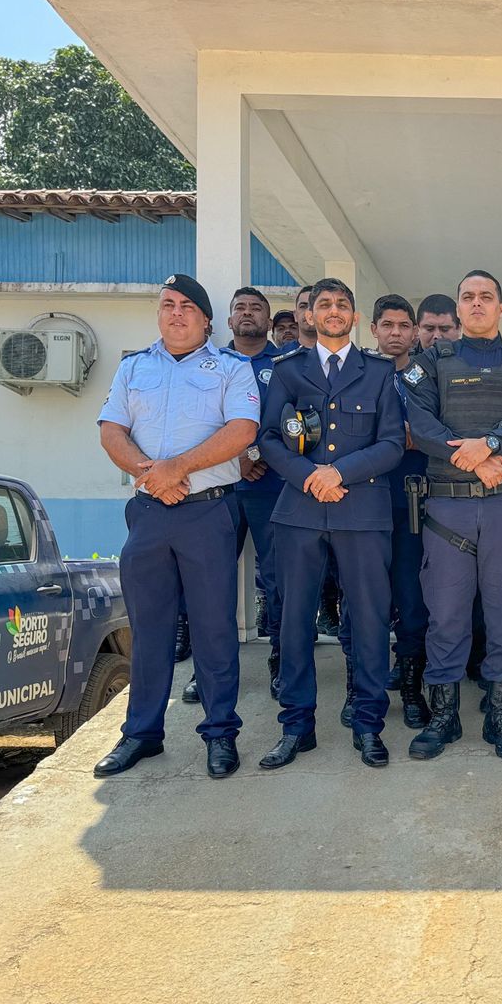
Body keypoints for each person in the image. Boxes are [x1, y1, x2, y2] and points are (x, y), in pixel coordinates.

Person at [95, 274, 258, 780]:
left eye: (188, 306)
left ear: (207, 318)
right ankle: (141, 734)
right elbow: (111, 430)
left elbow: (242, 431)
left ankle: (220, 733)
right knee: (148, 630)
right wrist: (153, 475)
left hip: (207, 512)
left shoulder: (232, 368)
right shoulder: (132, 368)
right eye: (168, 305)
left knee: (213, 628)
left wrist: (178, 468)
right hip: (148, 512)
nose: (176, 313)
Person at [404, 273, 502, 763]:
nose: (476, 304)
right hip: (448, 504)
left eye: (485, 297)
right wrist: (474, 458)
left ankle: (501, 717)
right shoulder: (430, 363)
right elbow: (420, 424)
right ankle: (444, 718)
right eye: (467, 297)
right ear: (458, 308)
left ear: (501, 308)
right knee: (446, 614)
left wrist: (489, 443)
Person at [257, 277, 404, 770]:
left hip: (362, 511)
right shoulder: (288, 369)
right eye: (325, 304)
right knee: (295, 621)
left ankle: (368, 726)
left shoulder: (378, 371)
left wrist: (338, 472)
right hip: (300, 511)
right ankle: (297, 727)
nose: (334, 311)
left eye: (343, 304)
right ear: (310, 316)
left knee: (368, 620)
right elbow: (271, 439)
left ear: (355, 318)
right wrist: (310, 477)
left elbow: (391, 443)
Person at [225, 285, 298, 704]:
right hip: (219, 488)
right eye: (241, 308)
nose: (248, 313)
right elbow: (205, 422)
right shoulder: (212, 363)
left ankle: (279, 659)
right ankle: (211, 665)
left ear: (269, 321)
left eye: (256, 308)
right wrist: (235, 461)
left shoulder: (284, 365)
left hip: (270, 485)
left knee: (276, 580)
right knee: (213, 579)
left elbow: (286, 420)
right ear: (231, 319)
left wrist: (253, 455)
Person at [372, 293, 430, 728]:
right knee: (365, 601)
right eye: (386, 325)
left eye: (402, 326)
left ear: (413, 331)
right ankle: (365, 691)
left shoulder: (428, 376)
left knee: (412, 600)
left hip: (412, 501)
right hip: (363, 503)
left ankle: (412, 688)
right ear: (373, 329)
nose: (395, 333)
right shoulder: (358, 373)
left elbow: (434, 432)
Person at [293, 285, 317, 349]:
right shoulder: (282, 355)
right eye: (303, 306)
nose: (309, 312)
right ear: (295, 315)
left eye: (314, 306)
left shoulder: (341, 353)